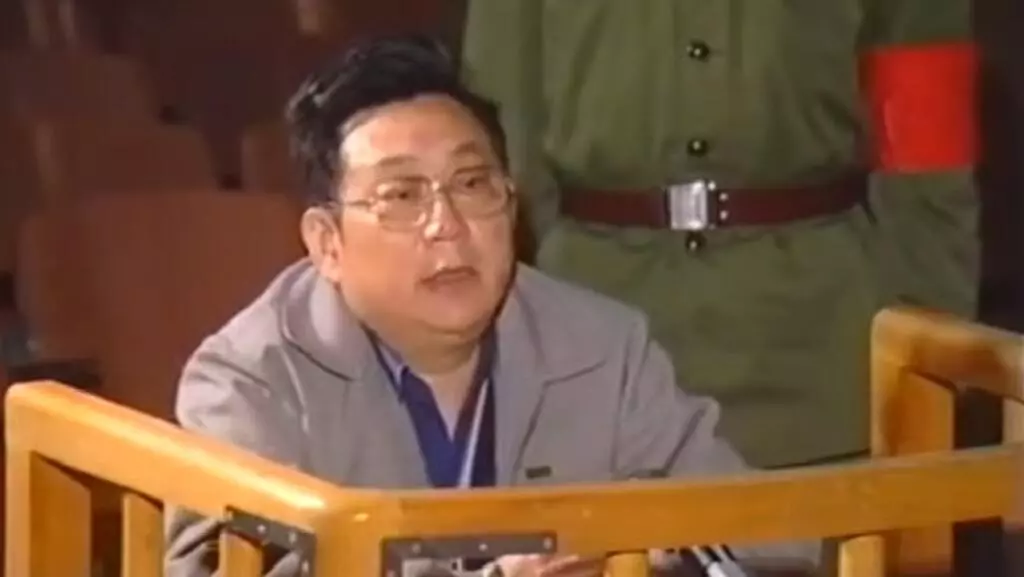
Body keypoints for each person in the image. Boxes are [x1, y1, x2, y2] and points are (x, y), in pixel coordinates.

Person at [164, 35, 818, 577]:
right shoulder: (248, 383)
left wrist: (657, 558)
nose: (446, 224)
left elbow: (757, 534)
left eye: (472, 183)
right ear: (326, 242)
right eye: (402, 196)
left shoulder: (605, 345)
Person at [461, 0, 979, 469]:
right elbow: (498, 135)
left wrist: (935, 357)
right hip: (594, 358)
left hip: (824, 365)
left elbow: (928, 149)